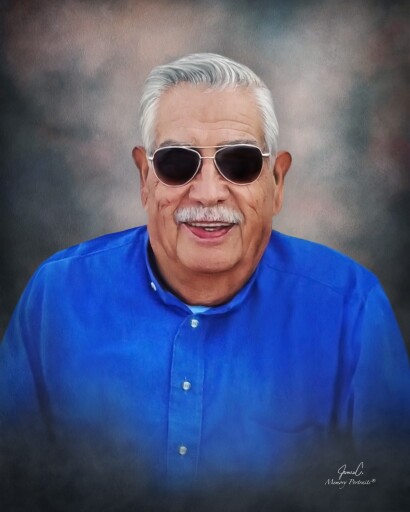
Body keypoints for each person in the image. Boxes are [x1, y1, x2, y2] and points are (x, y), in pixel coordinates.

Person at [1, 53, 409, 510]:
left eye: (240, 162)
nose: (209, 193)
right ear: (145, 178)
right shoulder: (56, 297)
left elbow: (385, 491)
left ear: (277, 182)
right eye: (178, 163)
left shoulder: (352, 308)